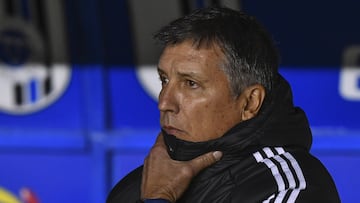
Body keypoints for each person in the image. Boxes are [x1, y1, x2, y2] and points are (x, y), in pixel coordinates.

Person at [107, 7, 340, 203]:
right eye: (164, 80)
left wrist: (159, 199)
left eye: (191, 83)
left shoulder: (291, 188)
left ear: (250, 103)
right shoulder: (135, 187)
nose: (164, 102)